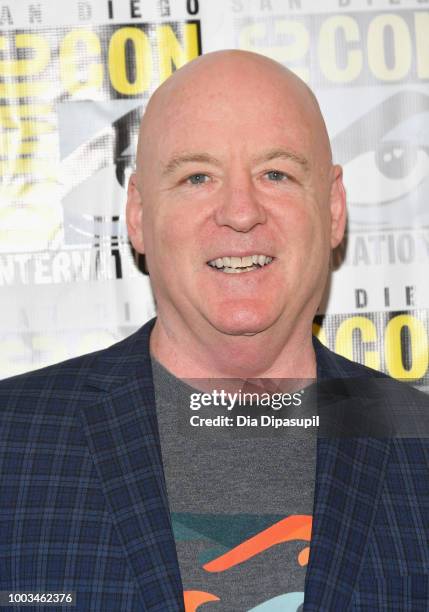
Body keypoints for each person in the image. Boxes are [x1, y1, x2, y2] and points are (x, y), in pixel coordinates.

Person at [0, 50, 428, 612]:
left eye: (276, 173)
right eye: (197, 176)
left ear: (332, 207)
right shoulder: (11, 444)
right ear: (137, 215)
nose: (241, 211)